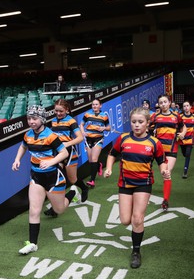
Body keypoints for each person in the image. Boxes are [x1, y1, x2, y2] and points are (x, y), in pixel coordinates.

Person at [104, 107, 170, 269]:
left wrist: (163, 171)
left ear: (148, 123)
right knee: (125, 221)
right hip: (125, 184)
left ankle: (136, 251)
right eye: (134, 122)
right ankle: (133, 222)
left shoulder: (154, 143)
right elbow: (112, 154)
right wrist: (109, 168)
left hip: (143, 184)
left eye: (140, 122)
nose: (137, 125)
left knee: (137, 219)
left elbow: (162, 160)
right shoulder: (124, 138)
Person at [12, 105, 76, 255]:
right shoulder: (28, 135)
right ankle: (33, 243)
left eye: (34, 118)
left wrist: (51, 162)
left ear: (42, 119)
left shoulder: (51, 136)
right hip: (36, 177)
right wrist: (17, 160)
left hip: (53, 177)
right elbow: (23, 147)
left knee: (59, 209)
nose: (31, 121)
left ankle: (72, 193)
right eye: (29, 118)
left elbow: (64, 153)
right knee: (34, 210)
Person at [44, 99, 89, 217]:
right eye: (56, 111)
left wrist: (66, 144)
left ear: (67, 110)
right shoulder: (53, 121)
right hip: (57, 155)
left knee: (73, 180)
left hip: (69, 153)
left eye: (61, 111)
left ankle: (83, 189)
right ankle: (55, 209)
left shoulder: (70, 121)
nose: (58, 113)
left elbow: (79, 138)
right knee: (57, 181)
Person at [150, 94, 187, 211]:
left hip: (171, 149)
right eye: (161, 103)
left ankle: (165, 200)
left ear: (169, 102)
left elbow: (183, 127)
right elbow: (147, 127)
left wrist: (183, 134)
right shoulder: (155, 116)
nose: (163, 104)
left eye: (165, 102)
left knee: (166, 173)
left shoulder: (176, 115)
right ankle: (150, 180)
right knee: (149, 169)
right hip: (157, 150)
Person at [79, 98, 111, 188]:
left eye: (96, 104)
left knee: (94, 159)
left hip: (98, 139)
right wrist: (82, 132)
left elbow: (109, 127)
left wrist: (104, 128)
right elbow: (81, 124)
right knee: (90, 160)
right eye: (93, 104)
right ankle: (99, 165)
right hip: (88, 139)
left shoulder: (104, 115)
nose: (94, 106)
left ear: (100, 105)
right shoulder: (87, 114)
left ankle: (92, 180)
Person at [178, 100, 194, 178]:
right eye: (184, 106)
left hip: (191, 138)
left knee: (188, 154)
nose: (186, 107)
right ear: (183, 108)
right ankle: (185, 156)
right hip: (182, 138)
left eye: (187, 105)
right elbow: (177, 127)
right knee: (184, 153)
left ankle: (185, 171)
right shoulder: (180, 116)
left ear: (190, 107)